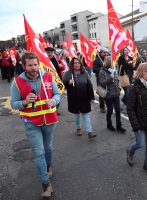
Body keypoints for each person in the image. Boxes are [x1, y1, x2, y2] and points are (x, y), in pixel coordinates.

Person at [10, 52, 60, 198]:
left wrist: (54, 101)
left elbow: (57, 95)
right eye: (30, 65)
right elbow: (14, 104)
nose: (33, 68)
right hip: (31, 123)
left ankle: (49, 165)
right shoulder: (17, 82)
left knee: (48, 147)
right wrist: (24, 102)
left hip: (49, 120)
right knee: (39, 153)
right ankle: (45, 183)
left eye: (35, 64)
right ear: (23, 66)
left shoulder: (48, 76)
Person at [126, 62, 147, 175]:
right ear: (140, 73)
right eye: (146, 71)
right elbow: (130, 108)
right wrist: (135, 125)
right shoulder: (135, 87)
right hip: (139, 122)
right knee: (140, 143)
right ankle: (130, 151)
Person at [62, 57, 96, 138]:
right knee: (76, 115)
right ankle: (78, 128)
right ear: (72, 64)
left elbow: (89, 85)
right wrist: (68, 83)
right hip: (74, 98)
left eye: (79, 63)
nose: (77, 64)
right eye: (75, 63)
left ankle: (89, 131)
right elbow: (62, 85)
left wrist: (91, 97)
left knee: (86, 115)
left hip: (84, 97)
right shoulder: (68, 74)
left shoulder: (85, 73)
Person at [98, 56, 126, 133]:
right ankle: (109, 123)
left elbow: (117, 80)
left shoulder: (114, 70)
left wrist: (119, 88)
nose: (114, 62)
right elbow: (102, 83)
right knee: (110, 110)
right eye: (112, 61)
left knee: (117, 110)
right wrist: (110, 78)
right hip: (108, 94)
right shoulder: (102, 72)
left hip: (116, 93)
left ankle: (119, 125)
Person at [45, 47, 65, 115]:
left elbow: (63, 68)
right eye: (48, 52)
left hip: (57, 80)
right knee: (49, 95)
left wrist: (61, 66)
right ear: (46, 53)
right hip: (47, 81)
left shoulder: (57, 60)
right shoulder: (43, 60)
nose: (50, 54)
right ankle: (52, 109)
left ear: (53, 53)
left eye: (51, 52)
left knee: (57, 94)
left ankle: (56, 108)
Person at [93, 47, 109, 113]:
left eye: (106, 53)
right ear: (101, 52)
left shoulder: (108, 59)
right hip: (100, 78)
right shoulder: (97, 60)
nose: (106, 54)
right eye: (104, 52)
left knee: (109, 91)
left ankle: (110, 105)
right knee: (101, 92)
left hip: (108, 77)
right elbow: (94, 70)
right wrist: (102, 68)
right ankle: (102, 106)